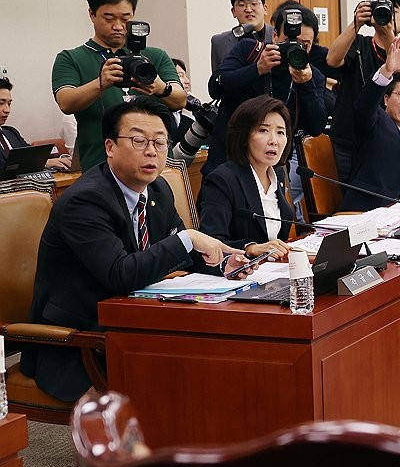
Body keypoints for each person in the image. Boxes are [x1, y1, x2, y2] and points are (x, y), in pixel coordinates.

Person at [21, 97, 243, 402]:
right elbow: (121, 274)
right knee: (179, 382)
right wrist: (188, 238)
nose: (152, 151)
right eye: (139, 140)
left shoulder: (158, 189)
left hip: (137, 322)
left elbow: (182, 252)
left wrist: (222, 264)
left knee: (221, 359)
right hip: (79, 341)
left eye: (160, 142)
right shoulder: (84, 201)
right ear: (110, 147)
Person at [52, 0, 187, 171]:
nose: (118, 26)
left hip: (157, 165)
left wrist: (160, 88)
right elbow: (66, 102)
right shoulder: (71, 58)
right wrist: (100, 83)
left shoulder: (154, 56)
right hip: (101, 167)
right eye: (109, 18)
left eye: (125, 19)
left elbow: (180, 100)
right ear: (91, 14)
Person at [205, 2, 326, 172]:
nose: (295, 47)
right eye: (288, 41)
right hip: (227, 162)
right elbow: (215, 86)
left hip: (272, 169)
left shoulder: (313, 76)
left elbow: (316, 127)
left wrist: (306, 85)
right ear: (275, 36)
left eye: (304, 44)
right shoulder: (250, 51)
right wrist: (257, 69)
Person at [326, 0, 400, 180]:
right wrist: (355, 24)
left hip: (386, 142)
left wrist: (388, 37)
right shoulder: (358, 43)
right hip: (348, 140)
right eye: (383, 9)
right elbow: (332, 60)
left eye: (393, 11)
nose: (388, 15)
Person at [197, 95, 294, 256]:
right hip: (240, 269)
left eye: (280, 132)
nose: (274, 141)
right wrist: (249, 248)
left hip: (275, 266)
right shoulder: (222, 180)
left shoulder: (277, 174)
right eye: (263, 130)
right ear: (244, 136)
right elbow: (211, 242)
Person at [338, 36, 400, 210]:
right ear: (386, 99)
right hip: (369, 216)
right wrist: (387, 71)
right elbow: (364, 104)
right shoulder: (374, 123)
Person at [0, 78, 71, 172]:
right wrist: (44, 163)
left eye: (9, 104)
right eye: (1, 103)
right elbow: (5, 168)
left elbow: (32, 154)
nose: (7, 110)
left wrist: (61, 159)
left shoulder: (11, 132)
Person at [210, 0, 274, 72]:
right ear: (233, 11)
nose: (248, 9)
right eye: (241, 5)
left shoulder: (279, 37)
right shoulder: (219, 42)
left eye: (254, 4)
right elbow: (217, 79)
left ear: (265, 9)